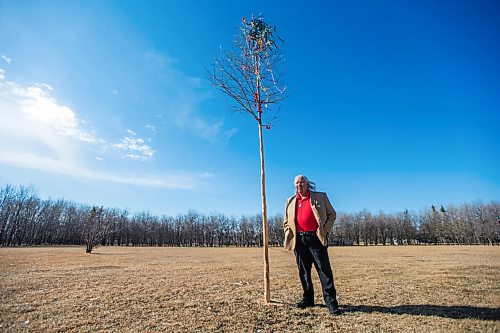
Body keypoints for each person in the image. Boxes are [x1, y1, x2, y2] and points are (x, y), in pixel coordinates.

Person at [283, 175, 340, 315]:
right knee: (303, 272)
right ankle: (308, 299)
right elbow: (286, 222)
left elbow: (332, 214)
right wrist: (288, 232)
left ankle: (331, 303)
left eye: (302, 182)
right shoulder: (290, 201)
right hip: (299, 241)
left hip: (316, 239)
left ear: (307, 184)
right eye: (296, 183)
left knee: (324, 271)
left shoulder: (320, 197)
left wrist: (325, 231)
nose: (299, 185)